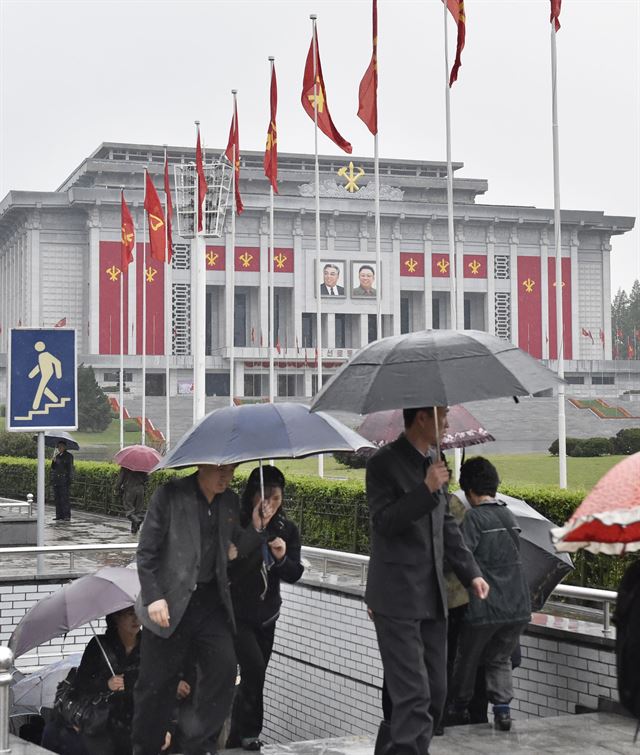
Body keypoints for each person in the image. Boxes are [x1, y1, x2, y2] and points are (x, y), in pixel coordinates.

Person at [365, 406, 489, 755]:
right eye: (442, 414)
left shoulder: (435, 460)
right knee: (413, 696)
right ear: (422, 417)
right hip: (396, 597)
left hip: (433, 596)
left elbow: (446, 525)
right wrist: (425, 488)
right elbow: (384, 522)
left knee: (436, 692)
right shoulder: (382, 464)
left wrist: (472, 573)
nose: (448, 422)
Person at [132, 463, 266, 755]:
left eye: (231, 470)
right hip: (168, 603)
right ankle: (145, 748)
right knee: (155, 687)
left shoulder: (229, 500)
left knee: (224, 668)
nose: (226, 477)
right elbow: (146, 552)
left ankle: (198, 746)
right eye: (220, 470)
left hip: (210, 603)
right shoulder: (169, 495)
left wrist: (256, 526)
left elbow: (235, 548)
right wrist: (154, 597)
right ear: (201, 466)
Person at [447, 457, 531, 732]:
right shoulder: (509, 515)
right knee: (500, 658)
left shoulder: (474, 518)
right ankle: (503, 711)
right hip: (517, 605)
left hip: (486, 606)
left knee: (466, 658)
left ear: (469, 490)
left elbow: (462, 557)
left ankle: (458, 708)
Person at [226, 465, 304, 751]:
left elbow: (294, 572)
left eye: (276, 498)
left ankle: (238, 732)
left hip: (267, 615)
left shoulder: (286, 528)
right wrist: (255, 530)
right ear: (252, 496)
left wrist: (282, 558)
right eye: (265, 497)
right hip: (238, 613)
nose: (270, 504)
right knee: (254, 669)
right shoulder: (237, 523)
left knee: (255, 676)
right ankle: (248, 732)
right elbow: (230, 567)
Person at [117, 467, 148, 534]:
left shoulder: (125, 466)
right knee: (138, 511)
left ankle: (137, 521)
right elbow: (146, 479)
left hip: (130, 489)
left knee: (129, 509)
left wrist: (117, 488)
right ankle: (134, 530)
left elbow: (120, 479)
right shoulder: (143, 466)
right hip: (140, 490)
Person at [51, 440, 74, 521]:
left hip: (64, 480)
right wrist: (53, 461)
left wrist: (69, 480)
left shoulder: (68, 456)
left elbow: (70, 468)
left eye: (61, 447)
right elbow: (54, 468)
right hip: (57, 481)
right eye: (58, 447)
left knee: (64, 499)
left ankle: (66, 515)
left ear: (64, 447)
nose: (59, 448)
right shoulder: (57, 456)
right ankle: (59, 515)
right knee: (57, 498)